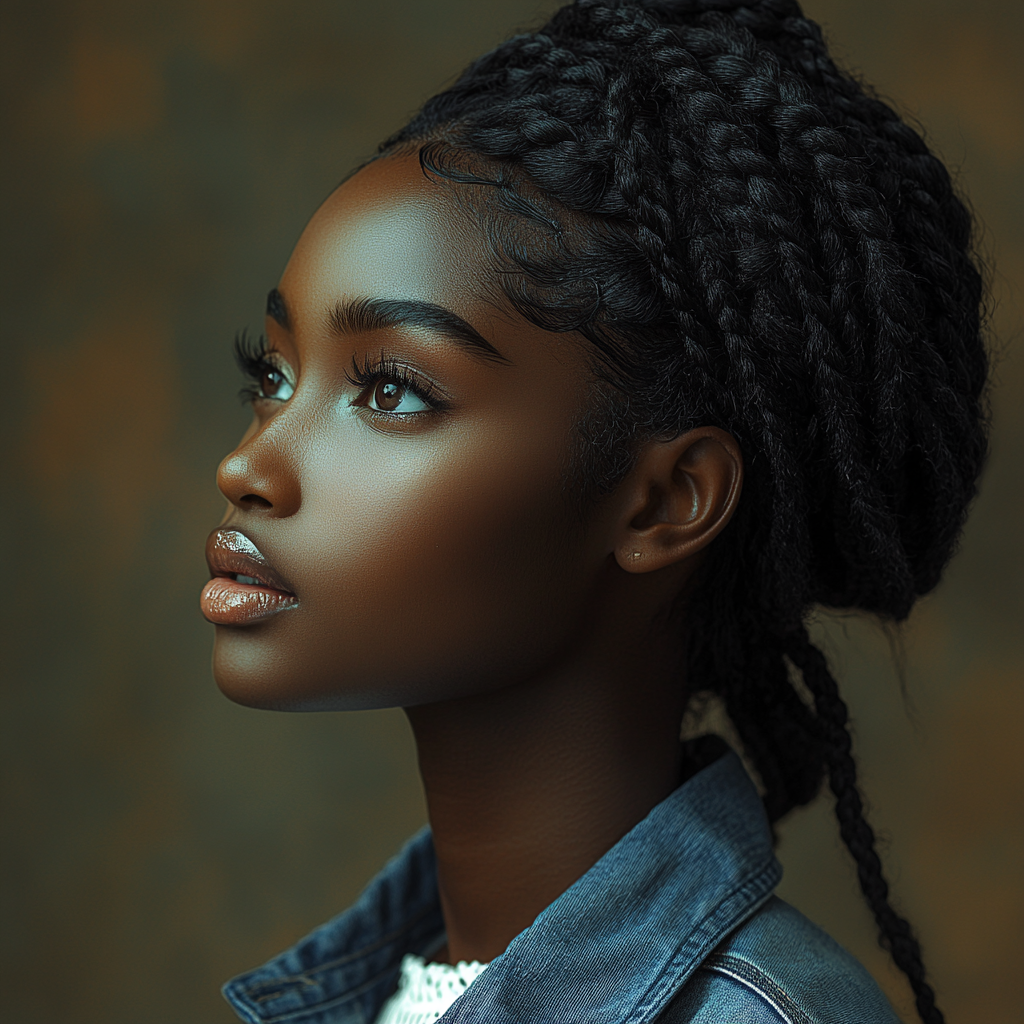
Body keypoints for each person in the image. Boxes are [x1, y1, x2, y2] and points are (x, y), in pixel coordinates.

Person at [199, 1, 988, 1021]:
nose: (248, 462)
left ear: (664, 501)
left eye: (390, 389)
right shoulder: (377, 992)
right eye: (271, 373)